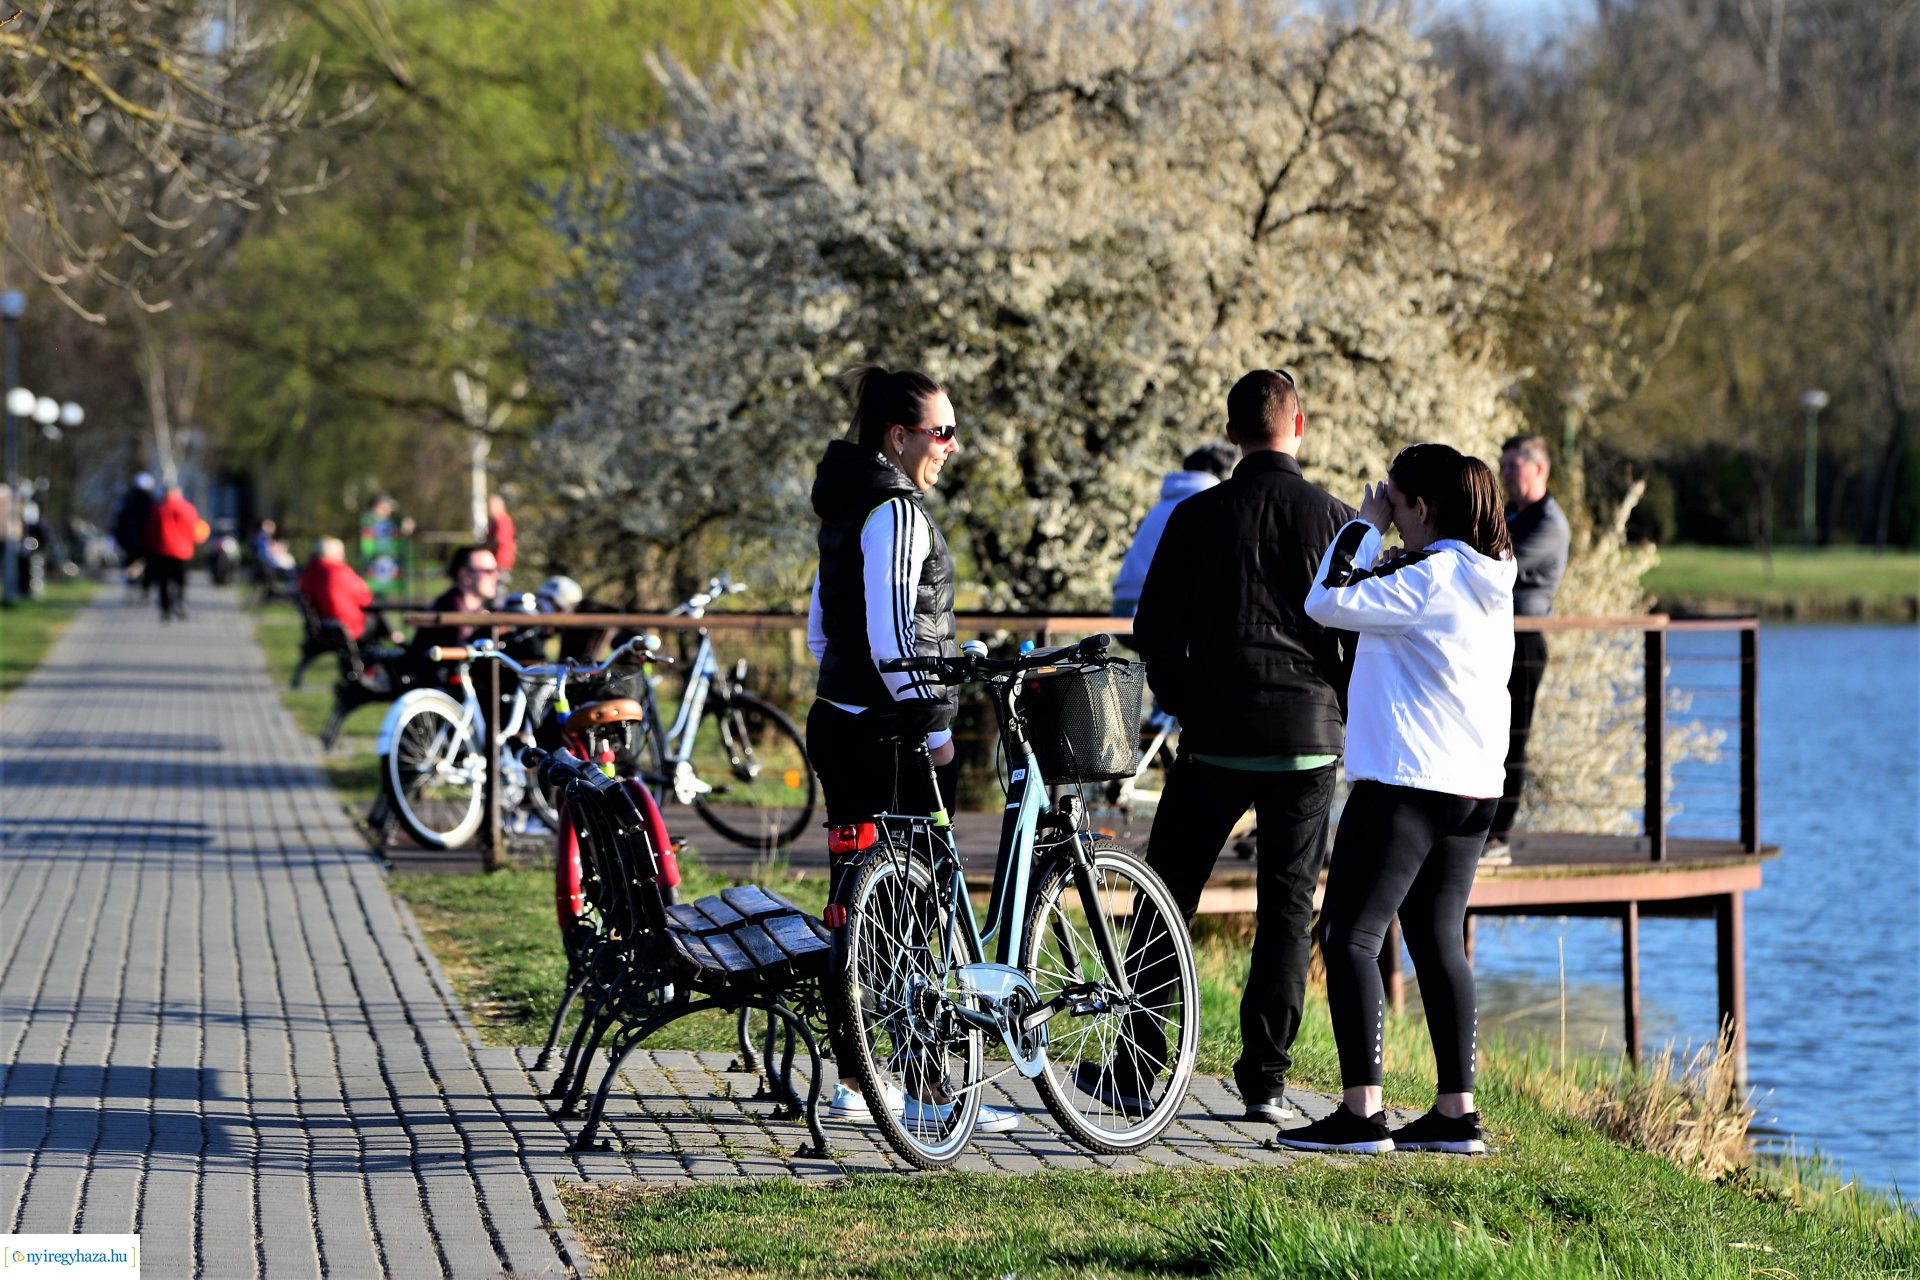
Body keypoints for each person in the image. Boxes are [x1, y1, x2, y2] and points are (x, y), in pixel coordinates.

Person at [1128, 368, 1357, 1125]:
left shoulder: (1194, 518)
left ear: (1231, 434)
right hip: (1305, 739)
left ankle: (1136, 1062)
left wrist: (1187, 701)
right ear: (1301, 426)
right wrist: (1337, 711)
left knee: (1167, 894)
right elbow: (1357, 637)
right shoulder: (1335, 520)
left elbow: (1153, 631)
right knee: (1288, 909)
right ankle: (1264, 1080)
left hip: (1216, 736)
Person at [1275, 443, 1515, 1156]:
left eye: (1398, 503)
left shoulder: (1434, 574)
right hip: (1473, 789)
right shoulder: (1490, 574)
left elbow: (1325, 600)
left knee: (1348, 936)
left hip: (1408, 784)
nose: (1393, 513)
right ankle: (1454, 1114)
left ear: (1421, 507)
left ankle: (1361, 1114)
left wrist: (1361, 523)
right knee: (1439, 941)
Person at [804, 363, 1019, 1134]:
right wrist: (932, 730)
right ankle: (927, 1094)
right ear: (899, 437)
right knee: (908, 908)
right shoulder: (895, 510)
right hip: (888, 730)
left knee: (858, 908)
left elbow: (820, 628)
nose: (953, 446)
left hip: (841, 717)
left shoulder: (845, 501)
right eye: (943, 431)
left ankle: (858, 1084)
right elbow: (897, 634)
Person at [1483, 434, 1571, 864]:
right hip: (1497, 636)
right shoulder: (1513, 514)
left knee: (1513, 737)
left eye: (1513, 466)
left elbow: (1501, 564)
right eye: (1503, 466)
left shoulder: (1548, 524)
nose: (1505, 474)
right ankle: (1482, 826)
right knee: (1490, 733)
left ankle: (1498, 835)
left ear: (1539, 468)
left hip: (1525, 641)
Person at [1111, 442, 1238, 616]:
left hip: (1122, 604)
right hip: (1153, 606)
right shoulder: (1209, 498)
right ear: (1226, 469)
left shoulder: (1170, 498)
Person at [298, 537, 387, 644]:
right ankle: (395, 642)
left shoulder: (308, 572)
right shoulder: (338, 571)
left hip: (323, 625)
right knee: (375, 616)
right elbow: (365, 599)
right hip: (346, 626)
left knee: (375, 615)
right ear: (331, 554)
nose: (343, 556)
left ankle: (394, 639)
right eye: (340, 553)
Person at [144, 484, 204, 621]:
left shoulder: (158, 509)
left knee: (163, 581)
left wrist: (151, 548)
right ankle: (179, 601)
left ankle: (165, 609)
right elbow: (195, 529)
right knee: (180, 579)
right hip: (183, 551)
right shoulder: (188, 508)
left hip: (162, 550)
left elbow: (151, 531)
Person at [359, 494, 414, 600]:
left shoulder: (392, 522)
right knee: (371, 597)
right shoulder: (367, 520)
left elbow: (404, 529)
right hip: (372, 568)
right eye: (387, 507)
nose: (389, 510)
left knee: (382, 597)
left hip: (387, 569)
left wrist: (406, 528)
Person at [112, 473, 157, 597]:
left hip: (130, 543)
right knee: (147, 567)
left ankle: (132, 588)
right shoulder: (153, 503)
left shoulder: (127, 502)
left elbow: (119, 523)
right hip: (147, 543)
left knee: (131, 566)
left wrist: (120, 540)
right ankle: (144, 590)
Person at [483, 493, 517, 579]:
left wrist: (483, 548)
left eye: (489, 506)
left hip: (500, 563)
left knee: (498, 589)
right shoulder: (496, 521)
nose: (487, 509)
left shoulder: (502, 521)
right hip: (496, 563)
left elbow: (498, 541)